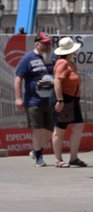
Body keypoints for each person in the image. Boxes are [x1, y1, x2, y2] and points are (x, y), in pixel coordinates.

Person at [14, 32, 54, 167]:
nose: (48, 45)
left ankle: (35, 151)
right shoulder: (28, 58)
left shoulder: (52, 58)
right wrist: (18, 98)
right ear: (37, 44)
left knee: (49, 130)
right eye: (45, 43)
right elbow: (18, 78)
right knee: (37, 129)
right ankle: (39, 156)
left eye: (49, 43)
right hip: (33, 102)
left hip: (50, 101)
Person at [51, 37, 86, 167]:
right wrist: (60, 100)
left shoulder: (70, 63)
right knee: (59, 130)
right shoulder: (62, 63)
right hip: (64, 98)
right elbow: (57, 81)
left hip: (72, 98)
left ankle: (74, 157)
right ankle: (58, 159)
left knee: (78, 126)